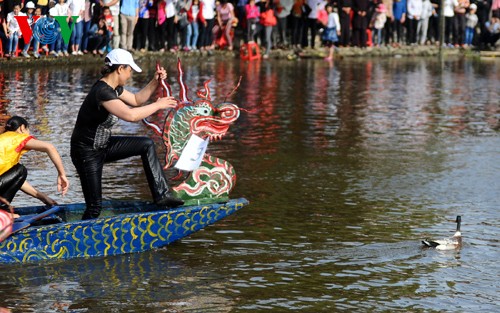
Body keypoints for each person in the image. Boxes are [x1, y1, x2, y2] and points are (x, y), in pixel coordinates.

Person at [70, 48, 184, 220]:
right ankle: (77, 241)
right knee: (94, 207)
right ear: (120, 69)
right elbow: (130, 115)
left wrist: (155, 81)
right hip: (86, 152)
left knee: (146, 144)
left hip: (103, 145)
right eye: (129, 70)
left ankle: (162, 196)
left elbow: (137, 100)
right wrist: (158, 105)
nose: (130, 75)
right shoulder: (102, 92)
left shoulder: (115, 88)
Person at [0, 116, 69, 212]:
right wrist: (62, 174)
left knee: (19, 171)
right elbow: (50, 147)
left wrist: (43, 197)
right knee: (21, 170)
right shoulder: (18, 137)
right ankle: (2, 212)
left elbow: (15, 180)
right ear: (22, 128)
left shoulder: (2, 139)